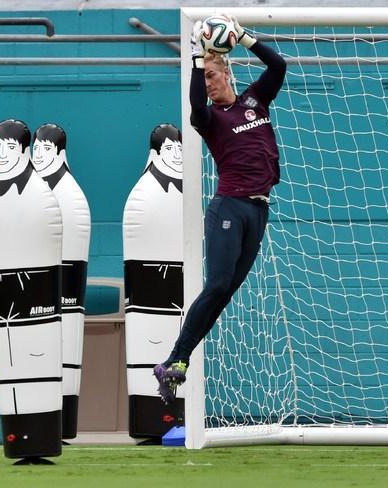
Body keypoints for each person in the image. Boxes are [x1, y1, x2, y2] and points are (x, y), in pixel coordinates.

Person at [153, 15, 286, 403]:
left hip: (258, 211)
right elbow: (196, 103)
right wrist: (197, 58)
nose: (209, 83)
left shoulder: (254, 101)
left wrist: (242, 37)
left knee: (224, 293)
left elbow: (278, 65)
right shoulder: (209, 119)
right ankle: (177, 359)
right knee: (215, 285)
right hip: (229, 207)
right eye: (204, 77)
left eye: (212, 75)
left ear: (227, 72)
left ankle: (174, 363)